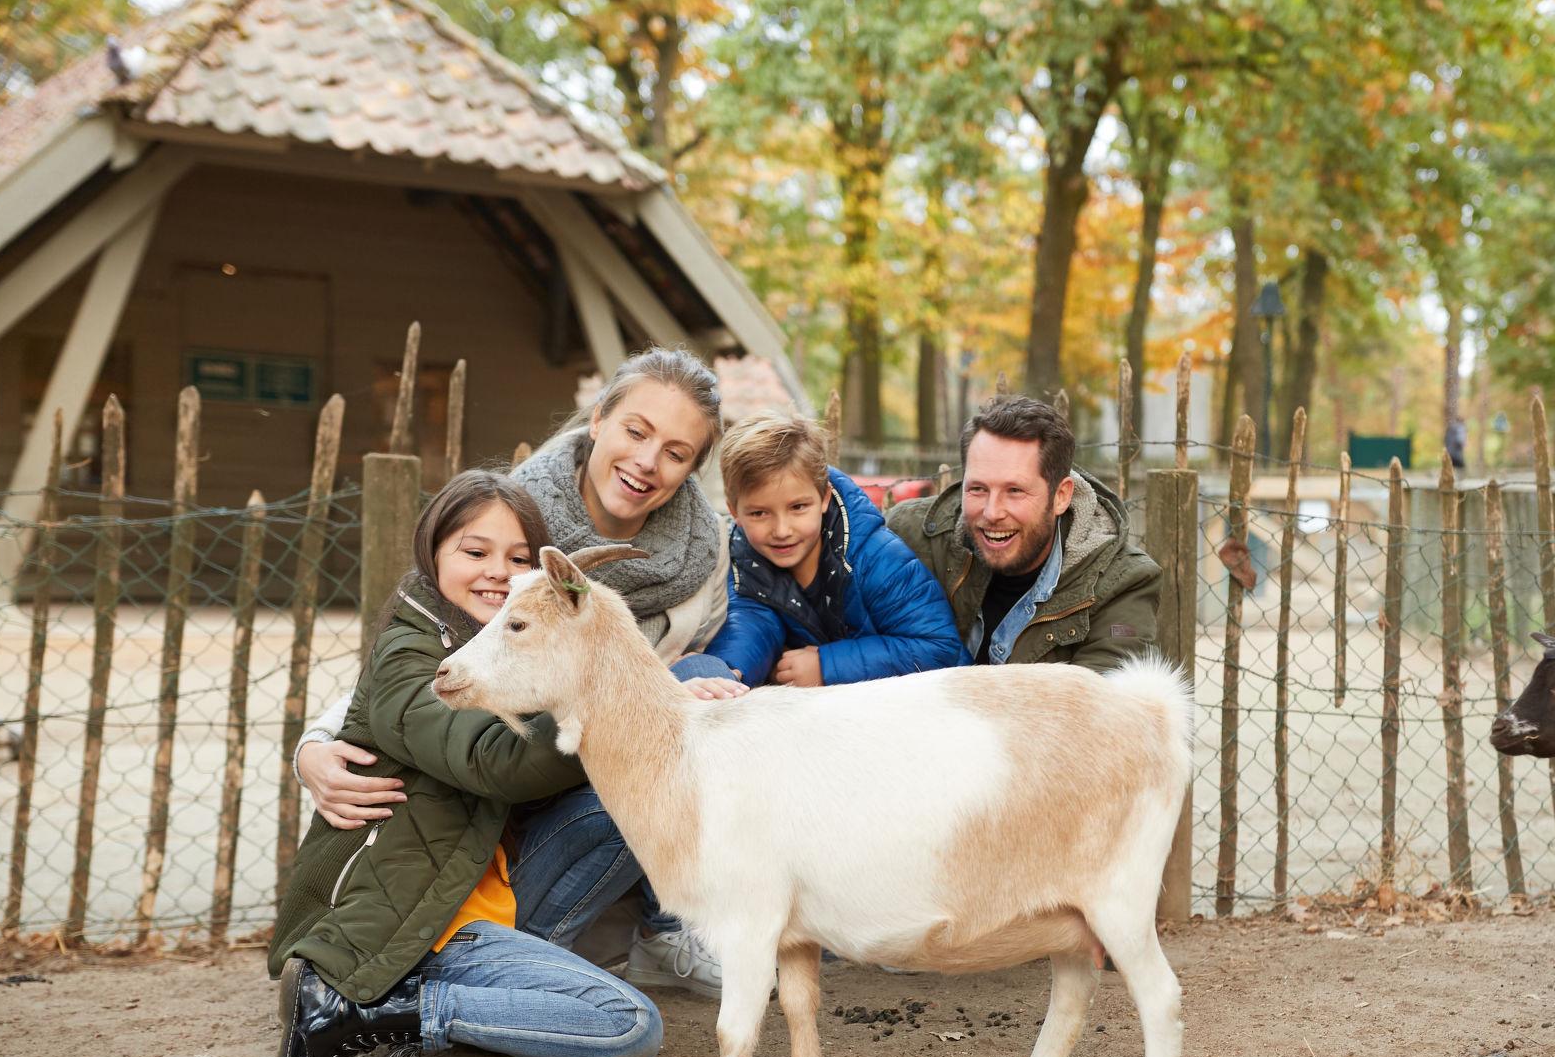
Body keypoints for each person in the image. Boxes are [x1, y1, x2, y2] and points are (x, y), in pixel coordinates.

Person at [292, 348, 734, 997]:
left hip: (604, 769)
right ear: (600, 419)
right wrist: (315, 744)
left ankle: (662, 931)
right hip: (519, 782)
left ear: (694, 466)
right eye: (635, 432)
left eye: (675, 451)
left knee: (702, 704)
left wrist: (681, 690)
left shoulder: (706, 550)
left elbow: (704, 650)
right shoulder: (511, 526)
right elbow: (422, 658)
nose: (646, 461)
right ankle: (519, 963)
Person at [270, 470, 663, 1057]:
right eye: (474, 552)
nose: (496, 573)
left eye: (515, 559)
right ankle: (358, 1012)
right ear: (434, 551)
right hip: (422, 921)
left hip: (482, 887)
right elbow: (492, 761)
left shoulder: (495, 644)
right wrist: (604, 700)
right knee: (630, 1029)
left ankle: (509, 1004)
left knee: (627, 804)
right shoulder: (408, 654)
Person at [689, 412, 968, 695]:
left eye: (798, 507)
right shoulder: (746, 562)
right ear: (735, 511)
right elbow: (751, 621)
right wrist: (727, 669)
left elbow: (938, 646)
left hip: (940, 705)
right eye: (759, 513)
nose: (782, 530)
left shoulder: (875, 558)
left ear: (824, 497)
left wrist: (826, 666)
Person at [885, 394, 1162, 672]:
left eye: (1015, 491)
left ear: (1061, 496)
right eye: (978, 489)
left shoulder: (1122, 585)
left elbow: (1098, 707)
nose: (992, 512)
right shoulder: (909, 537)